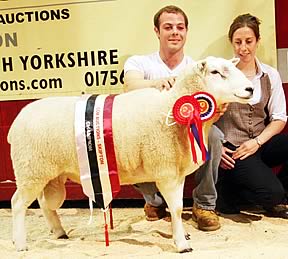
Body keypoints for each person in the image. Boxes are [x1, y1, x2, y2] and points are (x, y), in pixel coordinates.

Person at [124, 5, 225, 231]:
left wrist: (216, 110)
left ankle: (204, 205)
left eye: (180, 27)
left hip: (185, 134)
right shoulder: (139, 63)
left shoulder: (197, 68)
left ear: (186, 32)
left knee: (215, 136)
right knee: (129, 141)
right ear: (157, 31)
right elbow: (129, 86)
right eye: (168, 27)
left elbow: (210, 102)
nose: (175, 32)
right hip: (149, 134)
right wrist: (155, 83)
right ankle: (154, 201)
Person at [215, 13, 288, 218]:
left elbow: (280, 118)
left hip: (258, 142)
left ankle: (278, 196)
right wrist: (216, 146)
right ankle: (237, 193)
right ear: (231, 42)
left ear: (258, 41)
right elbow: (206, 117)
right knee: (272, 193)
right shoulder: (221, 75)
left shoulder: (270, 74)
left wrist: (257, 142)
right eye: (238, 42)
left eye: (249, 41)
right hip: (234, 149)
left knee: (275, 191)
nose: (243, 48)